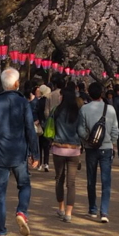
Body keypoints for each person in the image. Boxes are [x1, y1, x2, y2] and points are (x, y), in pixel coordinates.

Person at [0, 66, 40, 236]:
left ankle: (0, 232)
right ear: (16, 83)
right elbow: (30, 129)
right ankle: (22, 211)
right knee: (24, 185)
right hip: (19, 152)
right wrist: (34, 153)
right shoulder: (23, 103)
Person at [79, 80, 119, 223]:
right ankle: (104, 211)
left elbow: (80, 130)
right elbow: (115, 130)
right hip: (106, 148)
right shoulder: (110, 109)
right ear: (102, 93)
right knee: (106, 180)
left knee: (91, 179)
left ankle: (92, 209)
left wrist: (89, 139)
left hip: (91, 148)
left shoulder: (84, 109)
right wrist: (111, 142)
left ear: (89, 94)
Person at [50, 84, 83, 221]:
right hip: (74, 150)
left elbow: (50, 126)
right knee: (71, 182)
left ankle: (61, 208)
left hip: (58, 148)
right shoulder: (78, 112)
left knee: (59, 179)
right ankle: (69, 213)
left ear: (63, 97)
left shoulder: (56, 110)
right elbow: (81, 131)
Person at [36, 85, 53, 170]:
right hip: (47, 124)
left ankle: (39, 164)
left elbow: (37, 112)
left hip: (40, 124)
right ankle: (46, 163)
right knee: (46, 145)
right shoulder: (48, 100)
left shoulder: (39, 101)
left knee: (39, 144)